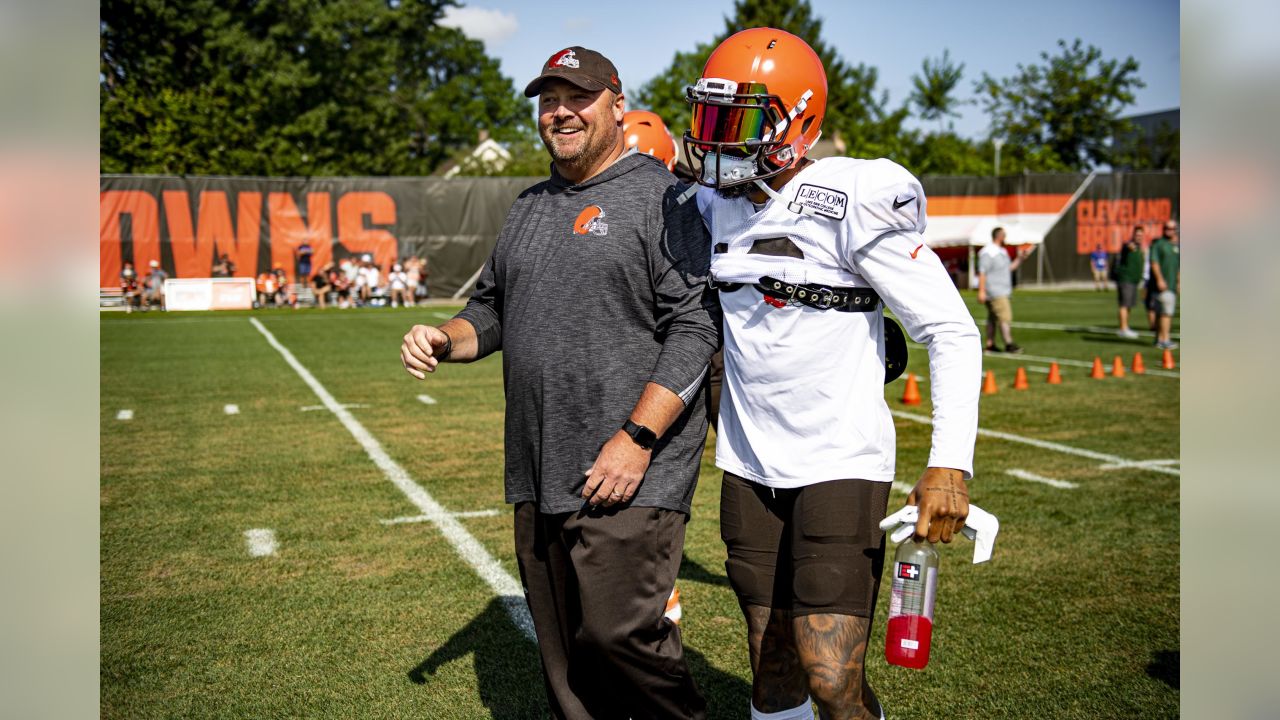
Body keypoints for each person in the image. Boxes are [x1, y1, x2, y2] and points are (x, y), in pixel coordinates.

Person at [400, 45, 718, 720]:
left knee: (621, 635)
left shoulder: (663, 198)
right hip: (538, 466)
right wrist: (443, 336)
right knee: (568, 665)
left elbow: (696, 326)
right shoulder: (529, 206)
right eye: (549, 100)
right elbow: (491, 309)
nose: (561, 112)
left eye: (577, 97)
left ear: (617, 104)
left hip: (630, 471)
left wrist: (636, 439)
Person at [684, 28, 980, 720]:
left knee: (830, 675)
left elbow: (951, 330)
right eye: (708, 117)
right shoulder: (713, 203)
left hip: (839, 459)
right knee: (769, 660)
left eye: (737, 121)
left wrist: (950, 463)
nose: (715, 138)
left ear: (798, 121)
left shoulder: (852, 195)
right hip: (749, 461)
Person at [977, 227, 1033, 353]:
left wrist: (1020, 258)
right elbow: (982, 272)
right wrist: (981, 290)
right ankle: (1009, 343)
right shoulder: (988, 252)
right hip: (995, 291)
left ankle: (990, 344)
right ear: (999, 236)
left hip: (1001, 290)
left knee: (992, 318)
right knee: (1005, 317)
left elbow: (1009, 268)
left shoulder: (1001, 251)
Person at [1149, 219, 1180, 349]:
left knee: (1161, 312)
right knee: (1166, 312)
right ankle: (1165, 339)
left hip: (1172, 284)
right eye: (1167, 228)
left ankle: (1158, 339)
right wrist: (1160, 279)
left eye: (1172, 228)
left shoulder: (1176, 245)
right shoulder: (1159, 244)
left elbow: (1178, 266)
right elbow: (1154, 263)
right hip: (1163, 285)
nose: (1169, 230)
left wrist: (1179, 281)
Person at [1115, 226, 1146, 339]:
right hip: (1126, 279)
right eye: (1137, 235)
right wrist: (1130, 245)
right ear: (1133, 235)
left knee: (1129, 305)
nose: (1139, 237)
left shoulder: (1140, 248)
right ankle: (1123, 329)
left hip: (1134, 280)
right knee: (1124, 304)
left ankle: (1125, 327)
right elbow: (1127, 246)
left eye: (1141, 235)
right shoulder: (1129, 245)